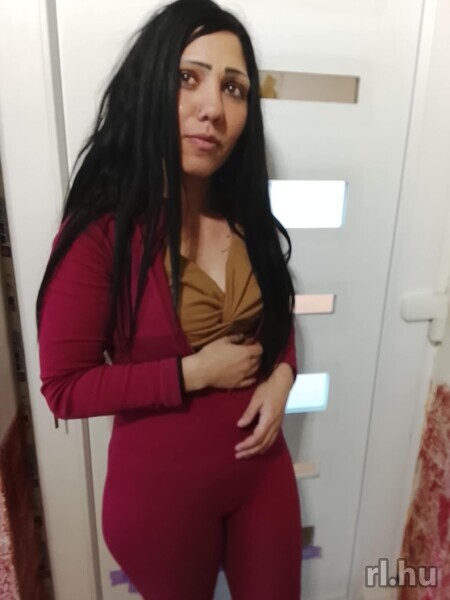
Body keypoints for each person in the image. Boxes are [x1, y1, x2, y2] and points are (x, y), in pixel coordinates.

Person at [36, 0, 302, 598]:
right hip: (161, 499)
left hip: (262, 473)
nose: (213, 108)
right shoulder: (100, 232)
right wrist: (192, 372)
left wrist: (283, 374)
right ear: (149, 85)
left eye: (233, 88)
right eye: (188, 77)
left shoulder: (245, 215)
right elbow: (64, 387)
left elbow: (277, 318)